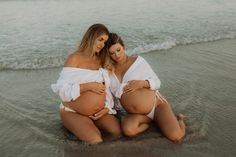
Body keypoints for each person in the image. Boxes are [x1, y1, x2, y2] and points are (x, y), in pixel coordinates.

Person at [102, 33, 186, 142]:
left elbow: (157, 82)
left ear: (123, 47)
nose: (117, 55)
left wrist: (142, 83)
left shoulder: (138, 62)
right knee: (128, 130)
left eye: (118, 50)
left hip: (156, 106)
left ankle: (180, 120)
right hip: (136, 114)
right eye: (112, 53)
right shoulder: (109, 72)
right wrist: (108, 109)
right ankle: (152, 122)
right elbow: (110, 96)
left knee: (176, 137)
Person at [51, 24, 121, 144]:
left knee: (117, 132)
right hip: (73, 112)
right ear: (91, 37)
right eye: (100, 40)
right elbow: (63, 91)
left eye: (105, 41)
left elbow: (107, 89)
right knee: (95, 140)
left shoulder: (101, 59)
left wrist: (107, 108)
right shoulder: (74, 58)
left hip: (99, 112)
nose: (102, 44)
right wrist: (88, 86)